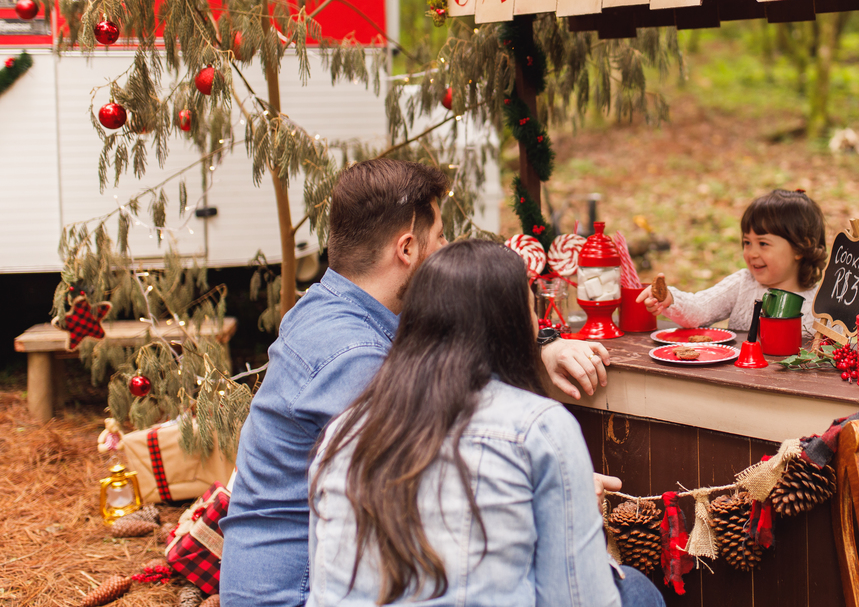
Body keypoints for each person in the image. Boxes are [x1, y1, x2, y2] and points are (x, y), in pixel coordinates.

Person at [221, 160, 615, 607]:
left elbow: (449, 352)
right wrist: (564, 484)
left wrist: (539, 344)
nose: (447, 247)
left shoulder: (329, 305)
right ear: (406, 249)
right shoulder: (356, 360)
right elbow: (450, 469)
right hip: (297, 591)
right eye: (441, 237)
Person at [307, 239, 665, 607]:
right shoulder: (540, 428)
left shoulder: (342, 430)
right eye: (532, 310)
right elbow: (580, 600)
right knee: (635, 590)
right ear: (514, 327)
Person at [637, 189, 826, 339]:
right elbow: (699, 309)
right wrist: (671, 298)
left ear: (801, 248)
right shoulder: (743, 284)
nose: (752, 253)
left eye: (763, 244)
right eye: (747, 242)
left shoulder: (822, 307)